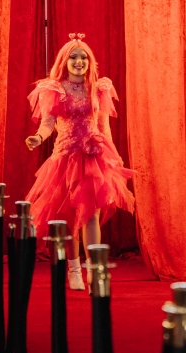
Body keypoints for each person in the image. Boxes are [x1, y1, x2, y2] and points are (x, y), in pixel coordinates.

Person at [25, 34, 135, 290]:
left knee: (90, 215)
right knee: (69, 217)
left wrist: (113, 157)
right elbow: (48, 123)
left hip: (94, 158)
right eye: (73, 57)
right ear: (64, 61)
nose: (79, 61)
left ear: (89, 61)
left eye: (83, 57)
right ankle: (73, 268)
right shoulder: (54, 89)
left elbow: (103, 126)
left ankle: (94, 270)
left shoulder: (99, 88)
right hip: (65, 158)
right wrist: (38, 138)